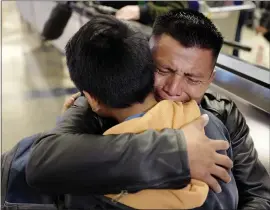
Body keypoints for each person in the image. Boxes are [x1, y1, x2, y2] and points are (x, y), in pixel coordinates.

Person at [26, 9, 270, 209]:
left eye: (193, 79)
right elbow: (43, 162)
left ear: (210, 79)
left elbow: (259, 195)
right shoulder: (102, 105)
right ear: (144, 61)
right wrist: (178, 153)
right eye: (163, 70)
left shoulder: (222, 115)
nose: (173, 89)